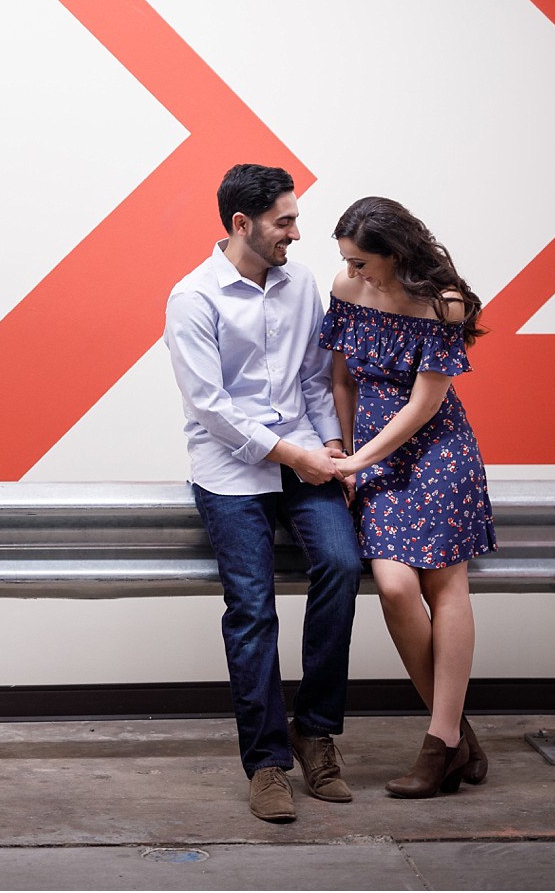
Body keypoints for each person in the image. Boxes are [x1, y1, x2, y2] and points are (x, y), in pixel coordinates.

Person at [164, 163, 363, 824]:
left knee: (340, 563)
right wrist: (292, 455)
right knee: (251, 610)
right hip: (230, 470)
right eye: (285, 221)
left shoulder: (299, 285)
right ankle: (267, 763)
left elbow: (311, 378)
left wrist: (331, 445)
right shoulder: (193, 298)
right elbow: (212, 408)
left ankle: (315, 731)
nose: (296, 233)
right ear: (242, 224)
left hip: (304, 456)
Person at [318, 195, 496, 798]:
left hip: (436, 452)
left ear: (394, 255)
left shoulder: (442, 302)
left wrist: (358, 463)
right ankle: (458, 737)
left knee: (446, 587)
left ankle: (438, 740)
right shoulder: (347, 288)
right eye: (347, 260)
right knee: (394, 586)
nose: (353, 271)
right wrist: (342, 449)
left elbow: (425, 404)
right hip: (369, 449)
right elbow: (340, 377)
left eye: (363, 261)